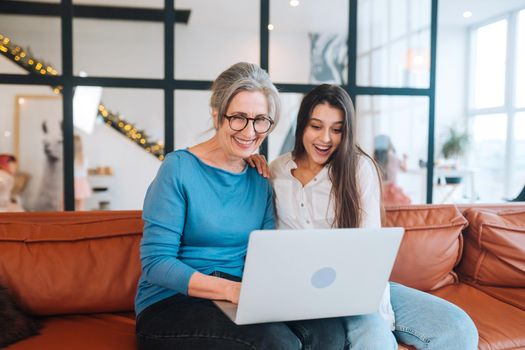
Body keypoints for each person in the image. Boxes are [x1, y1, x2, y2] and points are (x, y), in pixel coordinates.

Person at [135, 63, 346, 350]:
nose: (250, 131)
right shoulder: (178, 169)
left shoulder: (259, 178)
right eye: (238, 118)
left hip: (241, 295)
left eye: (260, 120)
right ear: (216, 115)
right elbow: (156, 263)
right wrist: (232, 290)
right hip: (171, 302)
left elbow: (268, 254)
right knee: (277, 343)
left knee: (329, 333)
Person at [251, 84, 478, 349]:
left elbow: (370, 253)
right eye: (316, 126)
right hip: (303, 294)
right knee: (376, 343)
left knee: (459, 328)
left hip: (354, 289)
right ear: (302, 125)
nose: (326, 138)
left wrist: (376, 308)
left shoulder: (359, 168)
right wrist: (249, 161)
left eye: (337, 129)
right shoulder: (276, 170)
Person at [373, 134, 411, 206]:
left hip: (380, 191)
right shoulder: (393, 157)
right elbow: (404, 169)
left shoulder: (373, 159)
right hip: (391, 191)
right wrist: (405, 158)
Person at [74, 134, 92, 211]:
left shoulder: (70, 159)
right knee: (80, 207)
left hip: (73, 183)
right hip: (82, 183)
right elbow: (85, 173)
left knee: (68, 206)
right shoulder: (84, 159)